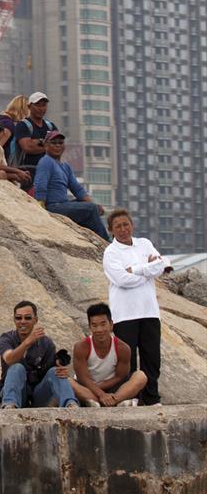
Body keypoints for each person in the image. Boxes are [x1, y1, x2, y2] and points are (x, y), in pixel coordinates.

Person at [103, 208, 169, 406]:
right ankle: (129, 397)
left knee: (152, 357)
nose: (123, 229)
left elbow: (163, 264)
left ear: (132, 225)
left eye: (126, 224)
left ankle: (151, 397)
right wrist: (148, 271)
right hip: (124, 314)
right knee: (127, 360)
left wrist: (138, 269)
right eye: (118, 226)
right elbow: (122, 280)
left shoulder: (144, 244)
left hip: (149, 310)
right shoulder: (111, 252)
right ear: (111, 230)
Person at [0, 300, 78, 409]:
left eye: (28, 318)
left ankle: (71, 406)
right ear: (14, 320)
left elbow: (50, 373)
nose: (23, 321)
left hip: (37, 395)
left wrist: (61, 369)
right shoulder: (7, 338)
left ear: (36, 320)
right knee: (16, 368)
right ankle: (9, 407)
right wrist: (27, 342)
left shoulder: (46, 343)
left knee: (55, 372)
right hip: (15, 392)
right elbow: (9, 359)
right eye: (18, 318)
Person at [33, 132, 109, 240]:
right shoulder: (46, 161)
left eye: (60, 143)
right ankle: (106, 241)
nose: (57, 145)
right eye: (53, 143)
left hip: (63, 204)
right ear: (46, 145)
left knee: (91, 206)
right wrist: (41, 210)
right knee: (91, 209)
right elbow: (40, 186)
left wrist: (94, 204)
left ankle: (95, 239)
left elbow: (77, 189)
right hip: (53, 206)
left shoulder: (65, 166)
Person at [71, 303, 147, 407]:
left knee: (141, 376)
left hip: (113, 388)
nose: (99, 330)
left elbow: (120, 376)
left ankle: (113, 400)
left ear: (111, 324)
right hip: (88, 388)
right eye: (94, 325)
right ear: (89, 327)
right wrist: (100, 393)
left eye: (103, 324)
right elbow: (83, 378)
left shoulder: (123, 348)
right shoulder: (81, 347)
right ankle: (112, 402)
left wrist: (105, 392)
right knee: (65, 381)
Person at [14, 92, 58, 183]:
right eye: (37, 105)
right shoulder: (22, 125)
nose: (41, 108)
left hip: (49, 171)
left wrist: (38, 142)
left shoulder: (51, 126)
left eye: (44, 105)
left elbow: (57, 148)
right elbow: (27, 147)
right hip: (28, 172)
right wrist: (48, 144)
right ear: (29, 106)